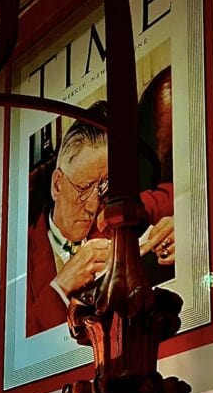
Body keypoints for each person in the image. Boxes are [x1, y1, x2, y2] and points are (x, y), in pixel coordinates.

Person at [25, 94, 175, 336]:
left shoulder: (110, 215)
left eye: (104, 186)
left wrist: (180, 228)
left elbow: (179, 196)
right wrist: (60, 288)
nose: (93, 205)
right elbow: (22, 347)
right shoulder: (22, 258)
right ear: (57, 185)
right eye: (84, 189)